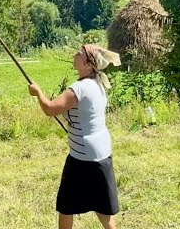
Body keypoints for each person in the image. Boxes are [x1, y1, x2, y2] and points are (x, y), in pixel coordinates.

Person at [28, 44, 122, 229]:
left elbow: (50, 109)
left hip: (83, 157)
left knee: (66, 205)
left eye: (79, 53)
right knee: (102, 207)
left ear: (88, 64)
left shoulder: (80, 88)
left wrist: (38, 93)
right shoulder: (97, 83)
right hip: (100, 153)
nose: (74, 54)